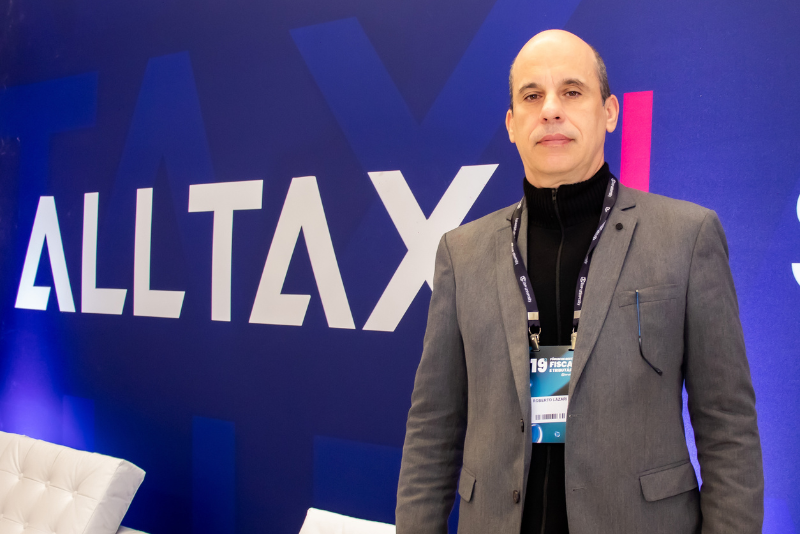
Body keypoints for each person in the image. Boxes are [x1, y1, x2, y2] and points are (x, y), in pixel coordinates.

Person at [395, 29, 763, 534]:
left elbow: (728, 426)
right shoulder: (462, 254)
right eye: (532, 96)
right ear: (511, 124)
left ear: (609, 111)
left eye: (571, 91)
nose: (550, 110)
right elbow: (432, 427)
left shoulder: (687, 236)